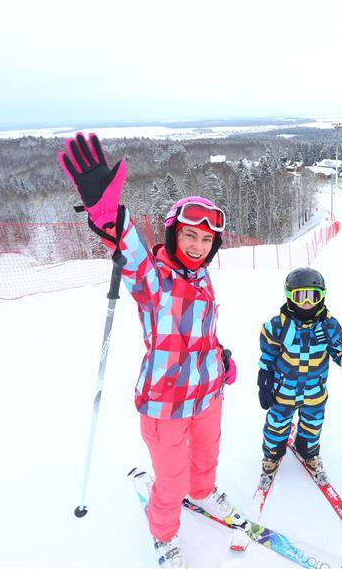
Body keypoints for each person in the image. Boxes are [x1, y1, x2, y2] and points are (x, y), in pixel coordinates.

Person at [58, 133, 238, 568]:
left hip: (208, 394)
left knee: (207, 456)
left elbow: (202, 332)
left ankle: (205, 492)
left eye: (205, 240)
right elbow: (129, 251)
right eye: (190, 236)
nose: (197, 246)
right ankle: (164, 534)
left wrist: (221, 358)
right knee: (170, 480)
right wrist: (106, 213)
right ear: (175, 234)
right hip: (165, 404)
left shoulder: (204, 280)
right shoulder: (155, 279)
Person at [257, 267, 342, 487]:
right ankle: (272, 455)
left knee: (313, 424)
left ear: (322, 296)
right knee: (276, 424)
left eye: (313, 295)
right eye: (301, 296)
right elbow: (267, 358)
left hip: (314, 392)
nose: (307, 302)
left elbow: (340, 351)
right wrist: (264, 383)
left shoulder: (328, 326)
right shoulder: (277, 326)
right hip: (284, 391)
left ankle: (307, 450)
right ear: (290, 296)